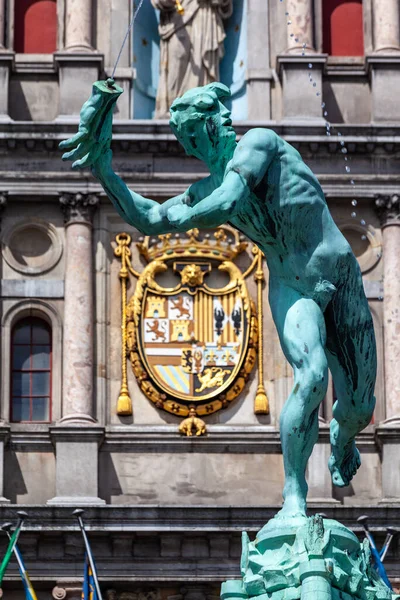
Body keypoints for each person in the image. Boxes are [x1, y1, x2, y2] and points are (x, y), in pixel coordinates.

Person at [60, 81, 377, 519]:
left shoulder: (259, 145)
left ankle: (343, 435)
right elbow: (152, 218)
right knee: (312, 375)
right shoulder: (207, 186)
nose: (228, 119)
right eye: (215, 117)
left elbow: (228, 200)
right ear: (196, 138)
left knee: (360, 407)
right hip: (292, 284)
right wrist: (103, 169)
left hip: (337, 274)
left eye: (224, 112)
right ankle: (294, 496)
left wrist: (186, 219)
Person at [151, 0, 232, 117]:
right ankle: (174, 111)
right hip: (177, 16)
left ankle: (204, 110)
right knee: (177, 61)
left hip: (205, 14)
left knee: (203, 65)